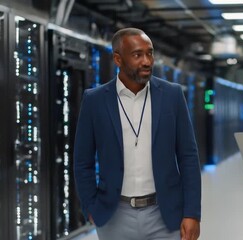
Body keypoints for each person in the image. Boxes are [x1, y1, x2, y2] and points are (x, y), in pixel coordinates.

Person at [73, 28, 201, 240]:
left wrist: (192, 213)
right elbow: (82, 161)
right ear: (117, 59)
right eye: (137, 54)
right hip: (114, 215)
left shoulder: (172, 95)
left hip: (165, 213)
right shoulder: (95, 100)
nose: (146, 61)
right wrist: (90, 206)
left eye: (149, 53)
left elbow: (188, 156)